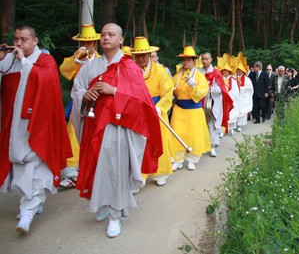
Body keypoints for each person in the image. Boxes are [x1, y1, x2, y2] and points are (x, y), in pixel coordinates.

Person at [72, 23, 163, 238]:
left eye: (111, 35)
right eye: (103, 35)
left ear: (121, 40)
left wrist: (114, 91)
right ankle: (102, 202)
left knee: (116, 171)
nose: (106, 38)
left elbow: (141, 101)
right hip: (94, 125)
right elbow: (77, 89)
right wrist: (85, 95)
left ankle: (115, 215)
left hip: (118, 127)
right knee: (96, 167)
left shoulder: (129, 67)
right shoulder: (90, 67)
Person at [0, 25, 72, 234]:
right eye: (16, 39)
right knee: (20, 169)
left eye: (24, 39)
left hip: (38, 126)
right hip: (13, 127)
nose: (19, 43)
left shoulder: (45, 61)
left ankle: (27, 214)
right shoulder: (9, 60)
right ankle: (31, 205)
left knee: (38, 169)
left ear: (35, 41)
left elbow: (46, 80)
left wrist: (24, 62)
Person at [59, 24, 101, 188]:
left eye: (88, 43)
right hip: (78, 100)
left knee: (94, 134)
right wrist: (76, 61)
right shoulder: (76, 57)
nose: (85, 46)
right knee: (72, 131)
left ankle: (94, 168)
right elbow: (64, 70)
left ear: (95, 44)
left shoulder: (100, 60)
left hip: (95, 100)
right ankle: (72, 172)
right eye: (82, 42)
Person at [131, 37, 174, 188]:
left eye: (144, 55)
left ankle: (160, 173)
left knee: (159, 141)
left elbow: (168, 92)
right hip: (138, 113)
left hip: (156, 111)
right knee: (139, 143)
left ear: (150, 55)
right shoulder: (131, 69)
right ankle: (139, 175)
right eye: (138, 55)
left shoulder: (159, 70)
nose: (141, 58)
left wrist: (160, 107)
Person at [170, 46, 211, 170]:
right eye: (184, 60)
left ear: (194, 61)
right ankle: (178, 158)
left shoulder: (199, 76)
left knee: (194, 134)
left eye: (189, 59)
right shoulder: (177, 76)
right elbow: (170, 89)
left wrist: (194, 86)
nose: (186, 62)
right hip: (179, 109)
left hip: (194, 110)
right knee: (177, 133)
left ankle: (192, 158)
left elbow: (204, 91)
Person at [199, 52, 233, 157]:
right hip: (199, 101)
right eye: (203, 59)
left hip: (212, 101)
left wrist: (210, 89)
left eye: (206, 59)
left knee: (212, 123)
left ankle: (213, 146)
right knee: (201, 123)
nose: (205, 61)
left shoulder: (216, 73)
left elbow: (221, 88)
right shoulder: (198, 72)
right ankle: (202, 145)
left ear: (211, 59)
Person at [217, 56, 239, 135]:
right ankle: (221, 130)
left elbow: (236, 91)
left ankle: (231, 129)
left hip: (230, 100)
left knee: (231, 115)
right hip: (221, 100)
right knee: (221, 115)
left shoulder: (233, 80)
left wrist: (228, 95)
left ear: (229, 71)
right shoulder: (219, 80)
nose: (225, 72)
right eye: (224, 70)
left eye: (227, 70)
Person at [233, 55, 253, 132]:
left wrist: (241, 88)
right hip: (236, 97)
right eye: (237, 70)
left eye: (240, 70)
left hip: (243, 97)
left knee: (242, 111)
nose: (238, 71)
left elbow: (250, 88)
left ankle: (240, 125)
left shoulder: (247, 79)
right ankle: (234, 124)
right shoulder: (234, 78)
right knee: (235, 110)